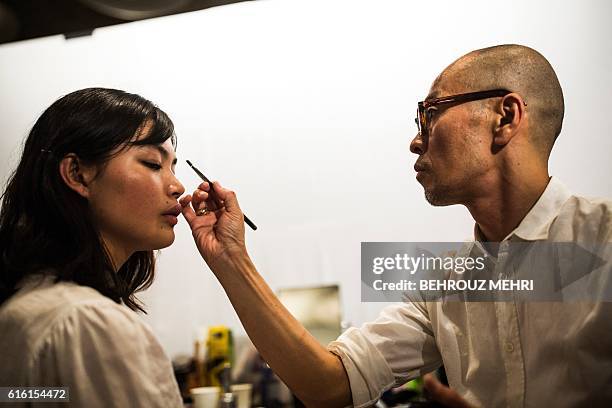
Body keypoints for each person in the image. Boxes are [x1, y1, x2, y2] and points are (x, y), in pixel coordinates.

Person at [180, 44, 612, 407]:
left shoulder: (604, 242)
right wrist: (231, 259)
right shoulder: (443, 283)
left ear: (505, 117)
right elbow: (328, 384)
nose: (415, 140)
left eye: (431, 113)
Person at [0, 88, 185, 407]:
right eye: (153, 163)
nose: (177, 186)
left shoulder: (25, 306)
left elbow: (29, 395)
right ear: (78, 174)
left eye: (173, 167)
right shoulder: (86, 322)